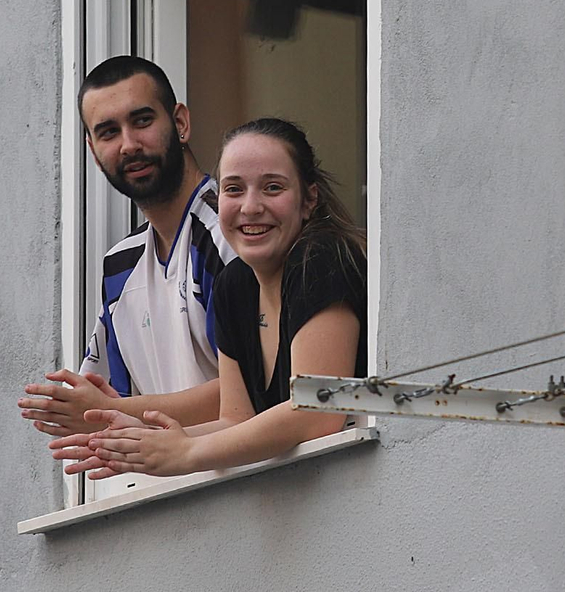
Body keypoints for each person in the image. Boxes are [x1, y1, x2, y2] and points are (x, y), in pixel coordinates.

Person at [54, 118, 367, 476]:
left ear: (309, 199)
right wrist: (141, 444)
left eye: (273, 188)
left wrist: (187, 452)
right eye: (234, 189)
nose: (250, 206)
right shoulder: (235, 285)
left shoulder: (322, 259)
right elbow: (234, 422)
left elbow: (318, 411)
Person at [18, 56, 235, 463]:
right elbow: (106, 406)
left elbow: (260, 388)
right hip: (173, 490)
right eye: (108, 132)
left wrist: (112, 413)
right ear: (92, 149)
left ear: (181, 123)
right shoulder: (120, 264)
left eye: (142, 121)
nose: (129, 144)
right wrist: (101, 424)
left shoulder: (232, 232)